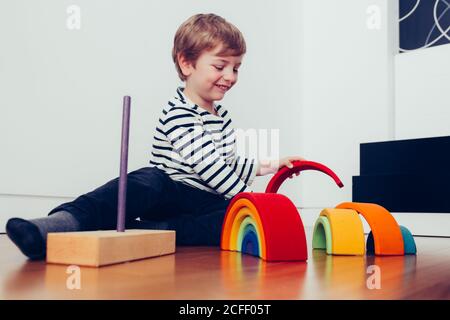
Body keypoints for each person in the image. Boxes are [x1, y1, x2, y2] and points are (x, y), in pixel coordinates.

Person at [6, 13, 304, 260]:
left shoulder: (221, 117)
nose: (231, 76)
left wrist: (270, 165)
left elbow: (226, 163)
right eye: (220, 66)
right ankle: (59, 225)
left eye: (236, 68)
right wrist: (247, 198)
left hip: (202, 201)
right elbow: (207, 167)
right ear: (187, 63)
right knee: (148, 180)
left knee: (225, 220)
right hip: (170, 192)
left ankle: (156, 230)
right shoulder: (178, 113)